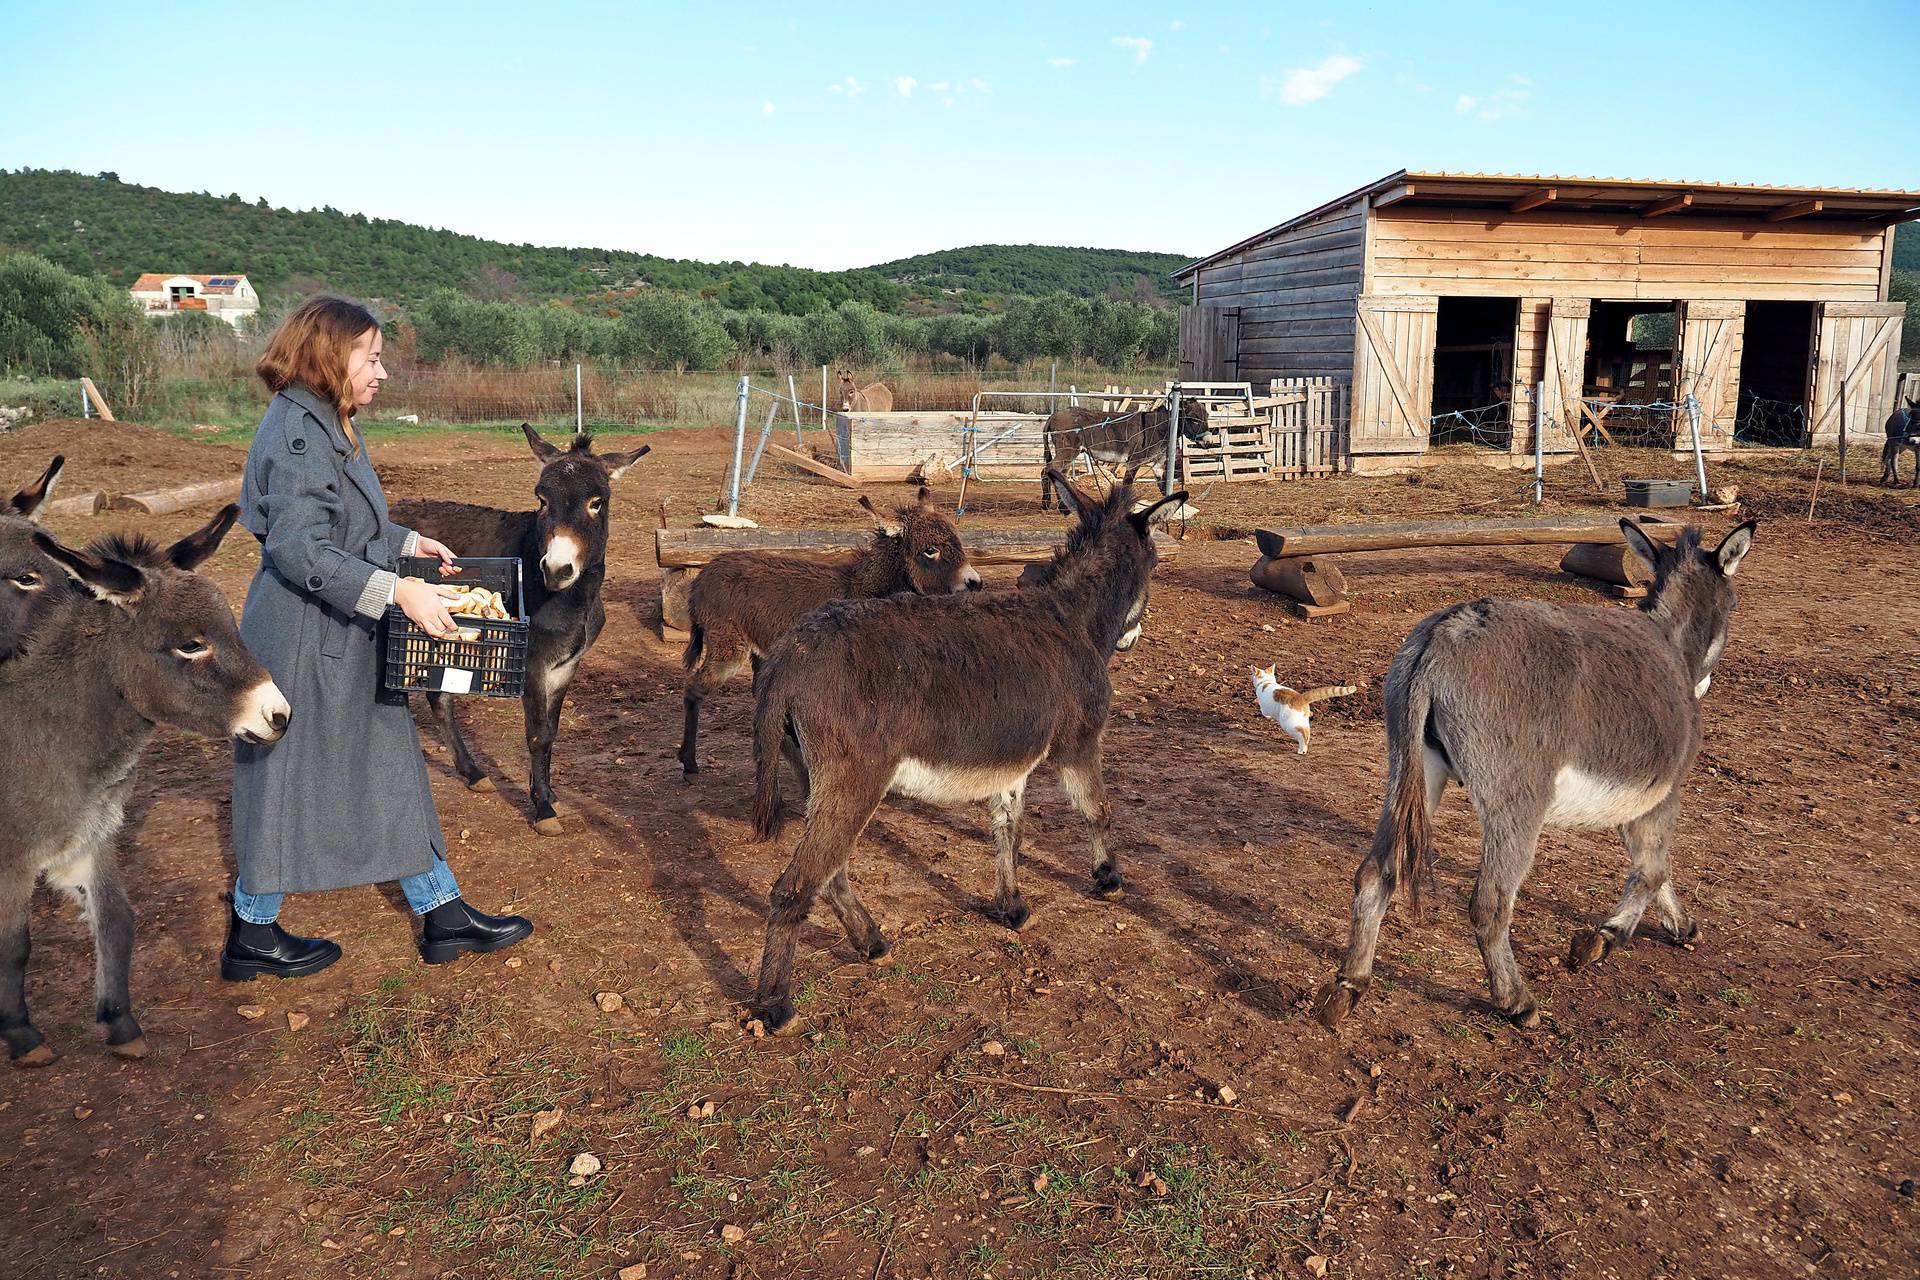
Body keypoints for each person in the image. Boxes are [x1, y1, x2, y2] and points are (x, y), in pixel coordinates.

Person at [223, 296, 532, 980]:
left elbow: (340, 531)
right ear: (332, 358)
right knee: (282, 777)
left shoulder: (318, 421)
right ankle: (252, 930)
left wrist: (406, 541)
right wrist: (399, 589)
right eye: (372, 356)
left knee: (389, 759)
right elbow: (300, 551)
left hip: (332, 628)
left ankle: (441, 909)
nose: (382, 371)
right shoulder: (301, 437)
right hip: (306, 639)